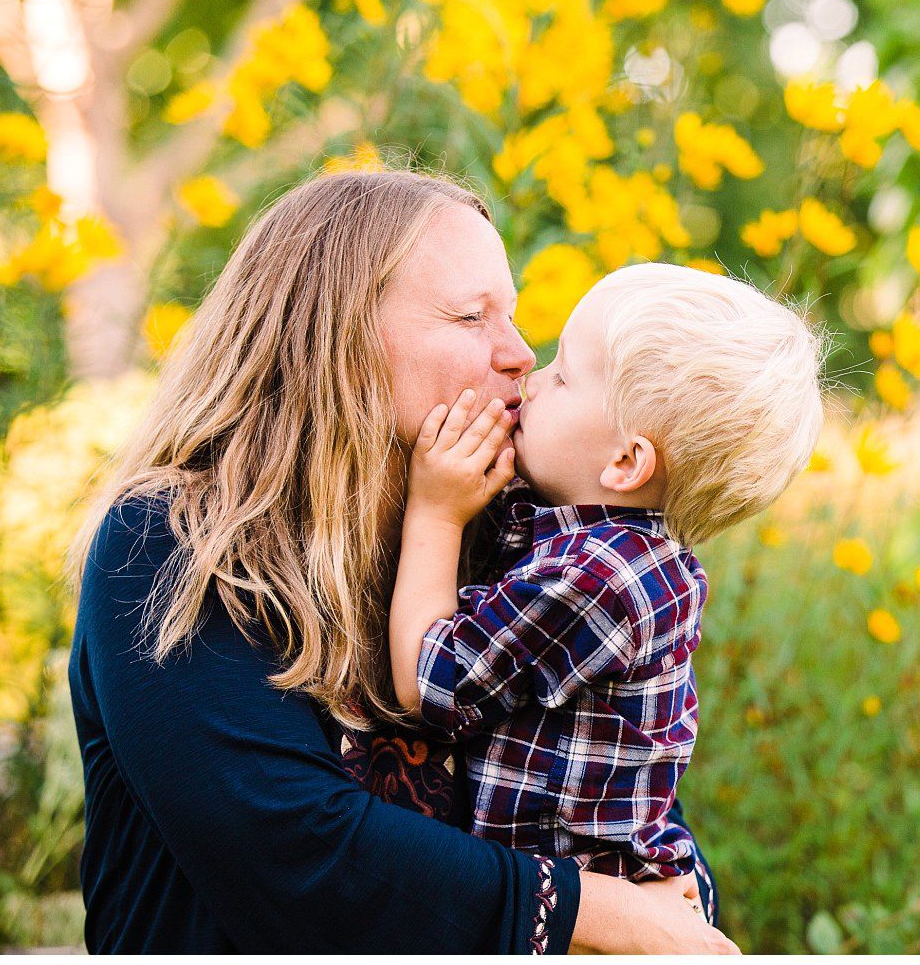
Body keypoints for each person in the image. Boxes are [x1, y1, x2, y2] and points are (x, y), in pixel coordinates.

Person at [63, 169, 740, 953]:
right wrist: (599, 912)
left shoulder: (491, 532)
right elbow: (292, 851)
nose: (520, 355)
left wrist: (672, 895)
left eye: (513, 316)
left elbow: (617, 779)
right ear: (334, 332)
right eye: (470, 315)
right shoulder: (172, 540)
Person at [387, 263, 826, 888]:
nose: (531, 382)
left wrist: (434, 511)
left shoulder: (599, 577)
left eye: (562, 376)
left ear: (625, 461)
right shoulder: (626, 551)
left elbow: (428, 680)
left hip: (584, 906)